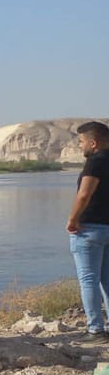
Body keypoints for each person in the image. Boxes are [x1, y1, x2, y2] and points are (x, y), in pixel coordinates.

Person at [67, 120, 109, 344]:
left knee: (88, 280)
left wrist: (73, 219)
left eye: (81, 142)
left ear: (93, 143)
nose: (80, 146)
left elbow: (84, 194)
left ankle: (96, 330)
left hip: (89, 228)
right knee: (108, 281)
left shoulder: (95, 162)